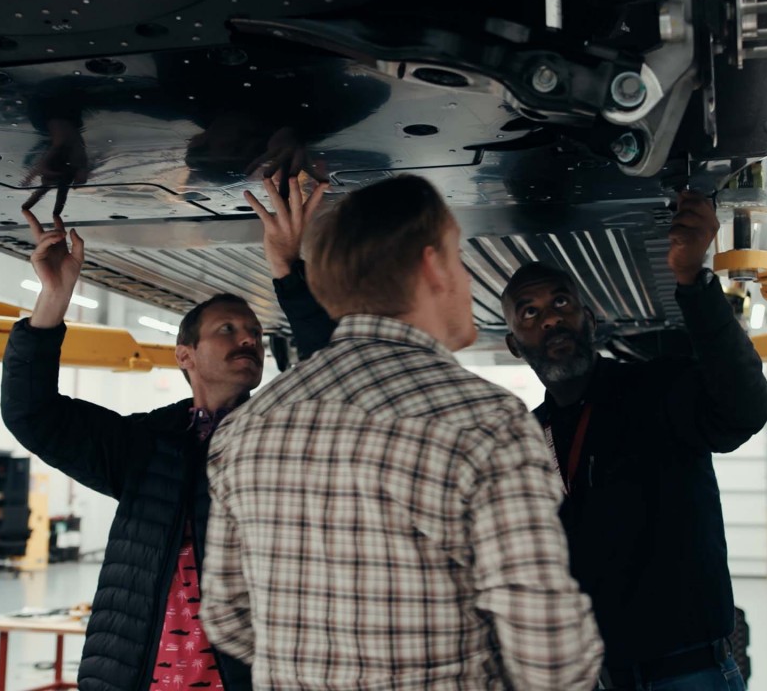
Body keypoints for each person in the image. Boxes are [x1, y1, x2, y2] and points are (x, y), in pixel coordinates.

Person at [201, 175, 603, 691]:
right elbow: (549, 651)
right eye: (458, 258)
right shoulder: (485, 423)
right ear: (434, 266)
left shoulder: (246, 428)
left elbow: (227, 615)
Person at [1, 176, 333, 691]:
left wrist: (288, 269)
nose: (248, 338)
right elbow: (32, 414)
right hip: (136, 675)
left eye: (254, 334)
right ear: (185, 356)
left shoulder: (282, 437)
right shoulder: (144, 445)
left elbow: (341, 379)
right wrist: (54, 299)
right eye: (227, 329)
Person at [499, 191, 767, 691]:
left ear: (591, 318)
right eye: (530, 313)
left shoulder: (658, 389)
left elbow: (745, 411)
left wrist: (694, 281)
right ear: (515, 344)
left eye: (561, 302)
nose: (551, 318)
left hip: (689, 672)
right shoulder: (526, 437)